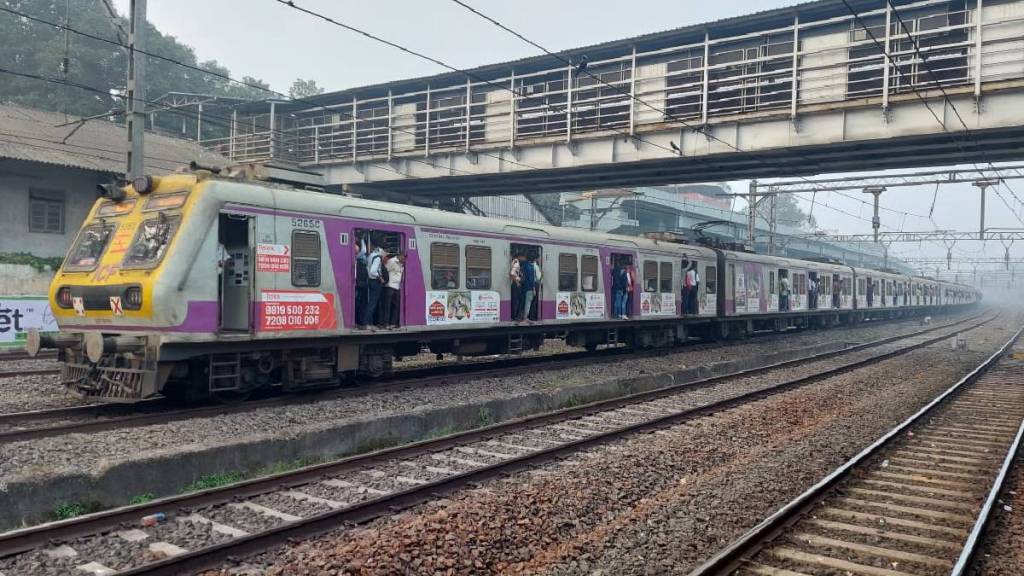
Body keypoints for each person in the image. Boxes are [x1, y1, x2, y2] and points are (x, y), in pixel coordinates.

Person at [364, 240, 385, 330]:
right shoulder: (377, 258)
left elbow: (368, 268)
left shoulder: (371, 256)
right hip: (375, 282)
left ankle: (368, 322)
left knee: (370, 303)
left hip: (370, 281)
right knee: (372, 303)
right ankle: (368, 323)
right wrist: (380, 277)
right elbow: (373, 271)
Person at [382, 252, 405, 328]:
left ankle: (393, 323)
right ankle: (386, 323)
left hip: (397, 287)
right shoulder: (392, 261)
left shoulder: (402, 264)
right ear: (400, 256)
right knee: (387, 305)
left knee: (396, 305)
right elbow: (385, 270)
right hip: (390, 286)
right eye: (404, 258)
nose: (404, 260)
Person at [519, 252, 537, 322]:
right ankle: (525, 317)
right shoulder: (531, 267)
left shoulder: (524, 265)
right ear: (533, 259)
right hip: (529, 287)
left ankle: (521, 316)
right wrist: (534, 288)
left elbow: (521, 274)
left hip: (524, 286)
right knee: (528, 303)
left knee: (523, 301)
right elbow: (531, 279)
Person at [354, 238, 368, 327]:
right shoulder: (358, 258)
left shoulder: (359, 260)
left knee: (359, 303)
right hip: (360, 284)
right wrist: (362, 239)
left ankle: (360, 321)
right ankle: (360, 322)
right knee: (359, 304)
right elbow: (364, 250)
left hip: (361, 284)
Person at [509, 253, 523, 321]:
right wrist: (517, 281)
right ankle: (515, 317)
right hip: (515, 284)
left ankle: (514, 316)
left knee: (515, 300)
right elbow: (512, 273)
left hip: (514, 283)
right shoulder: (516, 262)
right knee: (516, 301)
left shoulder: (513, 261)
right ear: (519, 256)